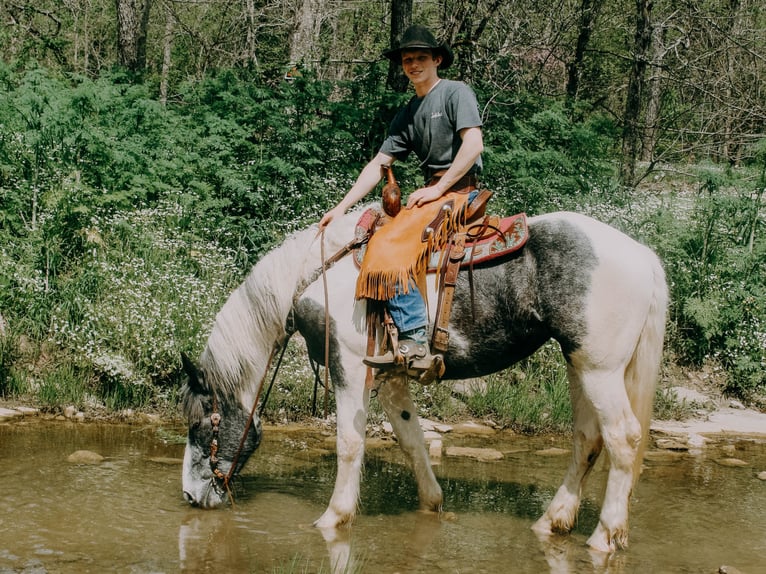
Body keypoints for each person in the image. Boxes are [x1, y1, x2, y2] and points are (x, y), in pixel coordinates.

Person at [318, 25, 484, 373]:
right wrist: (341, 207)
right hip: (434, 193)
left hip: (459, 190)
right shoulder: (409, 111)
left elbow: (473, 145)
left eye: (421, 57)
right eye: (407, 59)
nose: (413, 64)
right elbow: (379, 163)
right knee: (378, 236)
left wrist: (438, 189)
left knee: (390, 245)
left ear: (437, 59)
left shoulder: (455, 93)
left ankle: (415, 340)